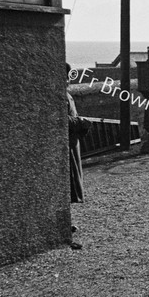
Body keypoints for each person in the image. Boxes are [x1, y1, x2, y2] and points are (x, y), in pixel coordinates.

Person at [66, 63, 92, 249]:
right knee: (68, 183)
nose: (68, 79)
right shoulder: (60, 95)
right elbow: (62, 119)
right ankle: (64, 225)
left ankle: (66, 221)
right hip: (67, 144)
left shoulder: (66, 94)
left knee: (72, 183)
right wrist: (80, 121)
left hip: (72, 143)